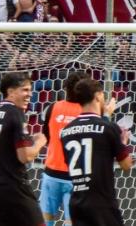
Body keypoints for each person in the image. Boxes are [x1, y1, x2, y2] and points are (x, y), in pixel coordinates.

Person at [59, 78, 133, 226]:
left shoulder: (66, 131)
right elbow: (126, 165)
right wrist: (123, 143)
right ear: (98, 96)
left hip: (77, 203)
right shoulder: (109, 128)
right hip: (102, 204)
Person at [0, 71, 47, 226]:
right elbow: (26, 156)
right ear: (10, 91)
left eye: (30, 90)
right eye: (25, 90)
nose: (30, 94)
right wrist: (40, 142)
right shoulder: (15, 113)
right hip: (14, 188)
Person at [39, 71, 89, 226]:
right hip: (76, 177)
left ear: (66, 88)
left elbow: (46, 136)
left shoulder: (53, 107)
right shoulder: (87, 113)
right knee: (72, 221)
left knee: (46, 219)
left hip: (52, 173)